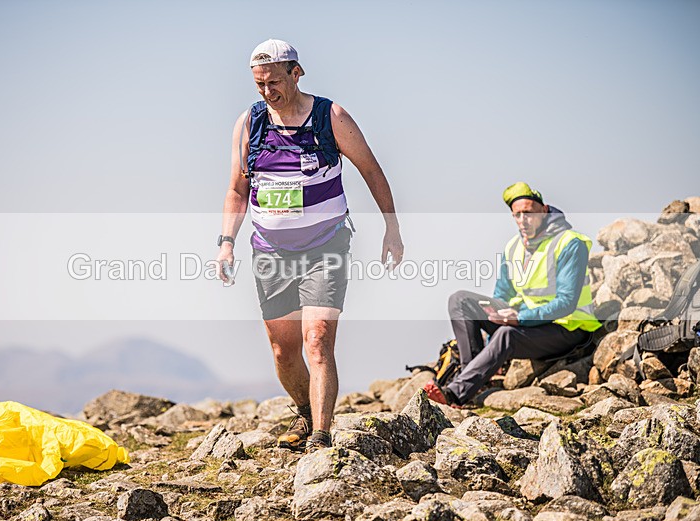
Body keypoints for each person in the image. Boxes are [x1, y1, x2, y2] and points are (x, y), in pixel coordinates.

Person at [216, 39, 404, 452]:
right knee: (284, 351)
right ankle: (304, 411)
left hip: (325, 245)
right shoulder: (250, 124)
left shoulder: (330, 116)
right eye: (259, 85)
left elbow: (372, 170)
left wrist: (391, 227)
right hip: (270, 251)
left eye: (274, 82)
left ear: (296, 73)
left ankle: (321, 435)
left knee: (317, 339)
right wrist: (226, 242)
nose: (268, 92)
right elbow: (237, 188)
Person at [425, 182, 602, 407]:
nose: (522, 221)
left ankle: (455, 394)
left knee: (506, 334)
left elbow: (566, 303)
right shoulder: (514, 247)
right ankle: (475, 376)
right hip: (526, 323)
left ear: (544, 210)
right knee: (460, 300)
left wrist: (519, 318)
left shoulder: (569, 243)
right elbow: (502, 294)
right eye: (516, 215)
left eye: (528, 213)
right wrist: (495, 322)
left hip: (567, 328)